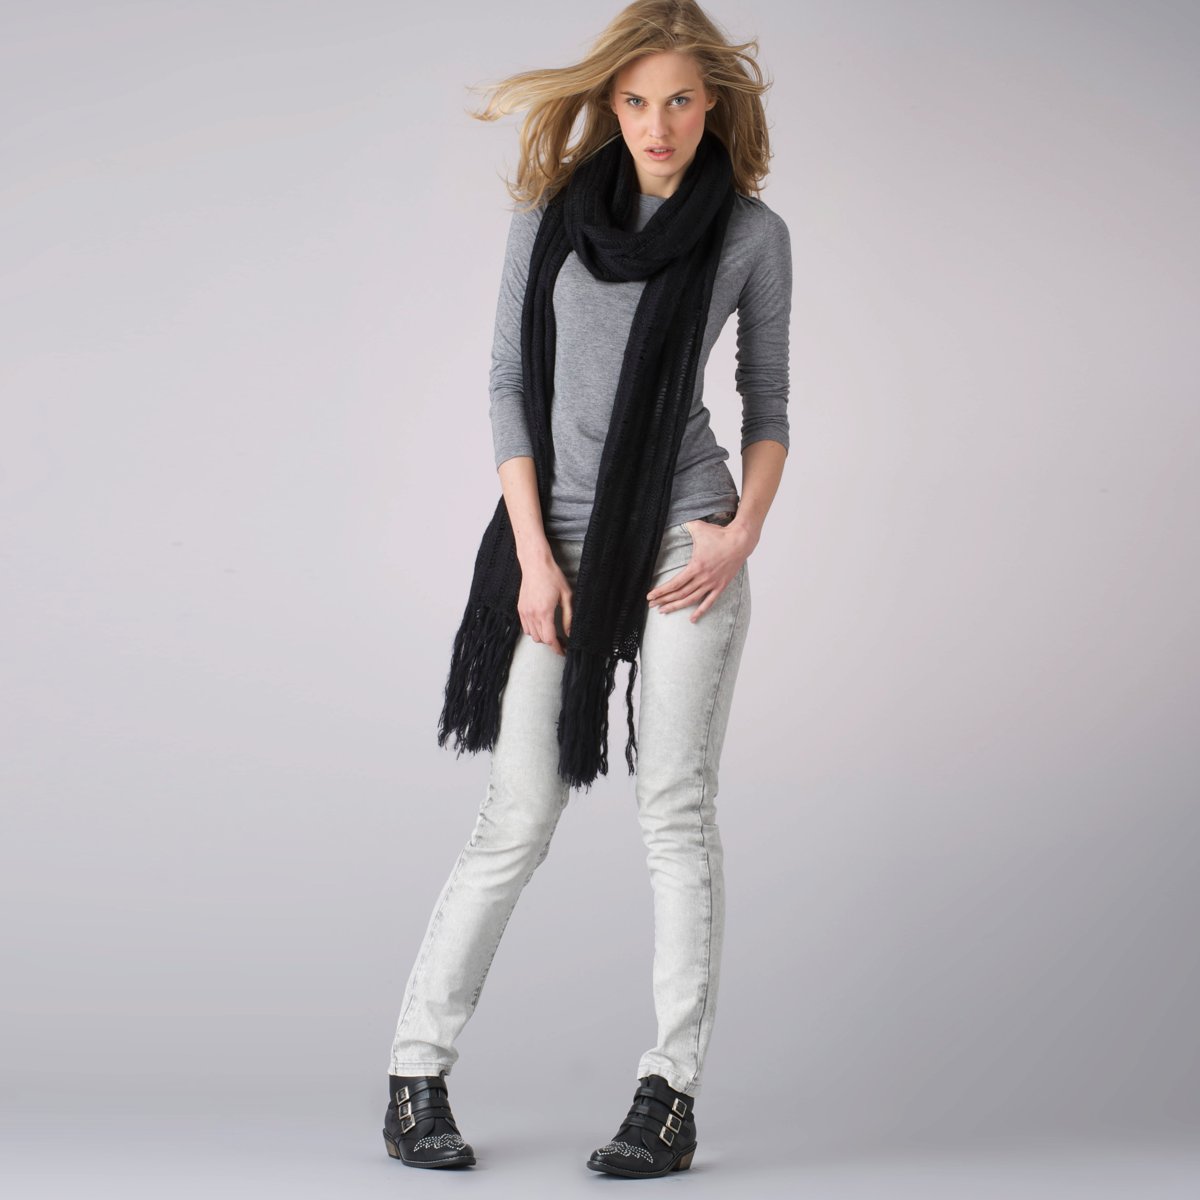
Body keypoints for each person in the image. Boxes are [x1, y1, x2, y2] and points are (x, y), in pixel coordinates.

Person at [382, 0, 790, 1177]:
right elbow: (507, 382)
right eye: (637, 100)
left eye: (680, 100)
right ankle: (414, 1076)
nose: (658, 124)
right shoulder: (551, 216)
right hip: (551, 542)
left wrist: (740, 535)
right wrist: (532, 554)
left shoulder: (751, 233)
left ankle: (668, 1096)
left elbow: (768, 402)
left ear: (712, 104)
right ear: (610, 104)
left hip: (681, 538)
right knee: (516, 816)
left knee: (675, 809)